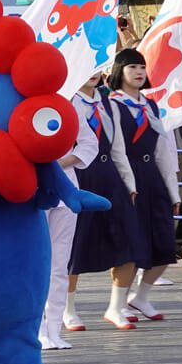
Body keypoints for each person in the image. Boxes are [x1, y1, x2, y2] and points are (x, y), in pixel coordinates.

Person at [106, 49, 180, 320]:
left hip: (153, 178)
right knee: (130, 244)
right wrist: (128, 183)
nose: (138, 73)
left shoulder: (150, 105)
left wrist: (173, 190)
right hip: (127, 178)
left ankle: (141, 297)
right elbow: (117, 149)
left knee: (164, 242)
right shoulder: (112, 104)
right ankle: (116, 305)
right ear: (119, 72)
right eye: (132, 67)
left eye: (141, 67)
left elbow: (163, 149)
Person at [65, 71, 139, 331]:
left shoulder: (109, 104)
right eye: (86, 68)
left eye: (97, 67)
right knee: (74, 245)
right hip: (79, 177)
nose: (93, 74)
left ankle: (116, 307)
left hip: (110, 177)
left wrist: (129, 183)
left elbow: (118, 147)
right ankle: (67, 308)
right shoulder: (66, 100)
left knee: (128, 241)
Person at [39, 77, 99, 350]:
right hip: (32, 192)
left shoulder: (69, 101)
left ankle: (53, 328)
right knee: (35, 264)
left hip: (66, 191)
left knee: (59, 265)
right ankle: (36, 329)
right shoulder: (21, 99)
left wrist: (61, 162)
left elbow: (89, 143)